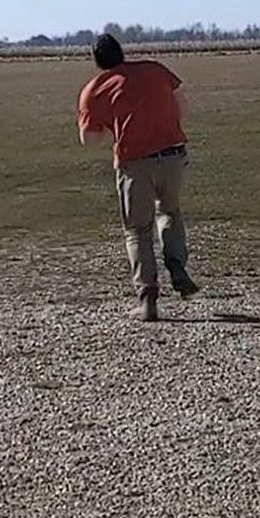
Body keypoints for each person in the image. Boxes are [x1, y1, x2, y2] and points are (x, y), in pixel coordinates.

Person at [76, 35, 197, 321]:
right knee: (169, 211)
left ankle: (147, 298)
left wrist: (115, 129)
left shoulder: (94, 90)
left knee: (137, 230)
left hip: (134, 164)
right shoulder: (155, 70)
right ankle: (177, 265)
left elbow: (88, 139)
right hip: (173, 156)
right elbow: (183, 104)